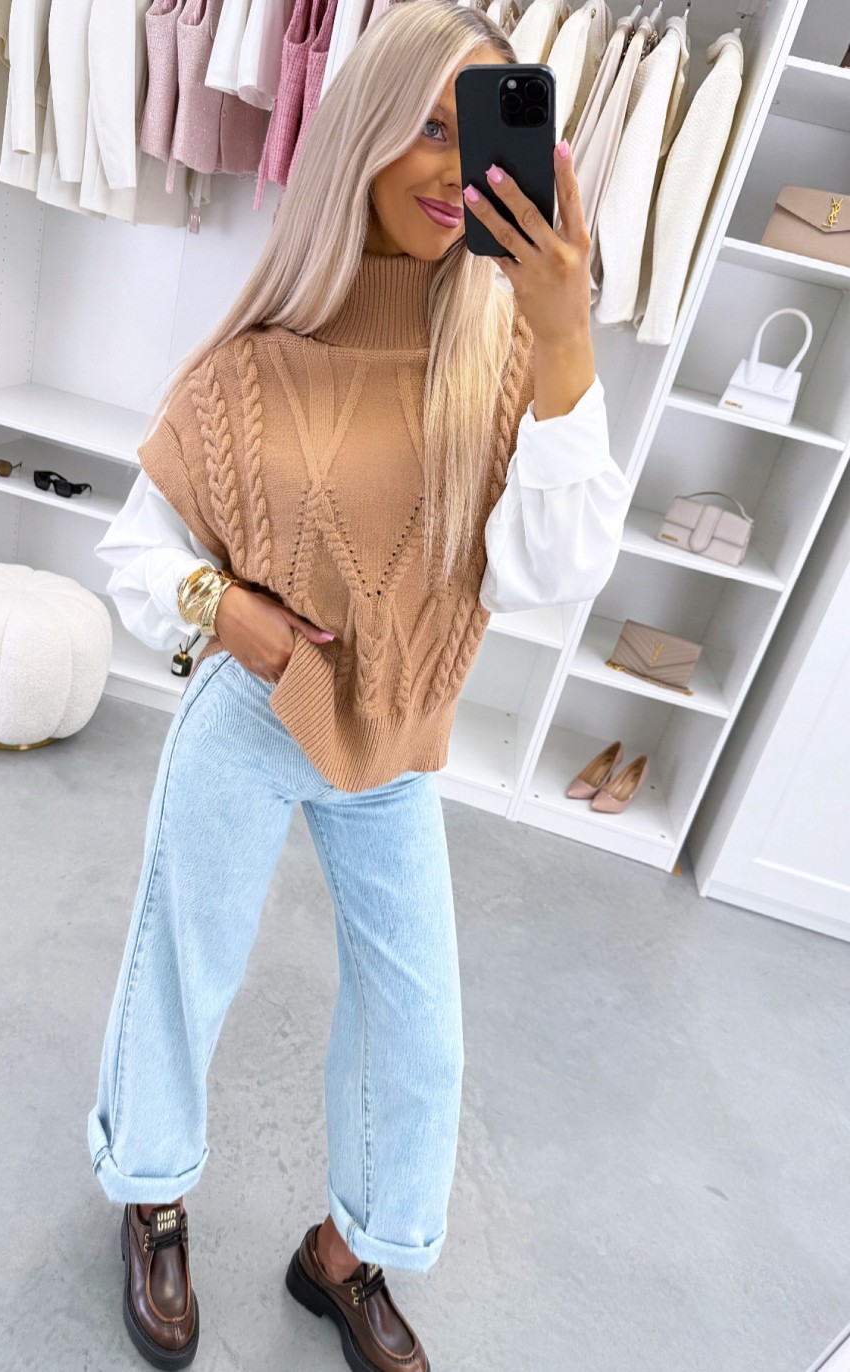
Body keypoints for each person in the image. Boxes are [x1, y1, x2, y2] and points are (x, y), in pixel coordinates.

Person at [87, 1, 631, 1369]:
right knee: (183, 968)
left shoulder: (504, 371)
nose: (456, 166)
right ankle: (151, 1192)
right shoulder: (248, 367)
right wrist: (230, 614)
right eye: (428, 126)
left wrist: (567, 341)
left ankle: (349, 1250)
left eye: (480, 131)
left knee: (418, 1024)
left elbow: (553, 570)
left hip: (396, 743)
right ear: (362, 134)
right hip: (250, 713)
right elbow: (136, 553)